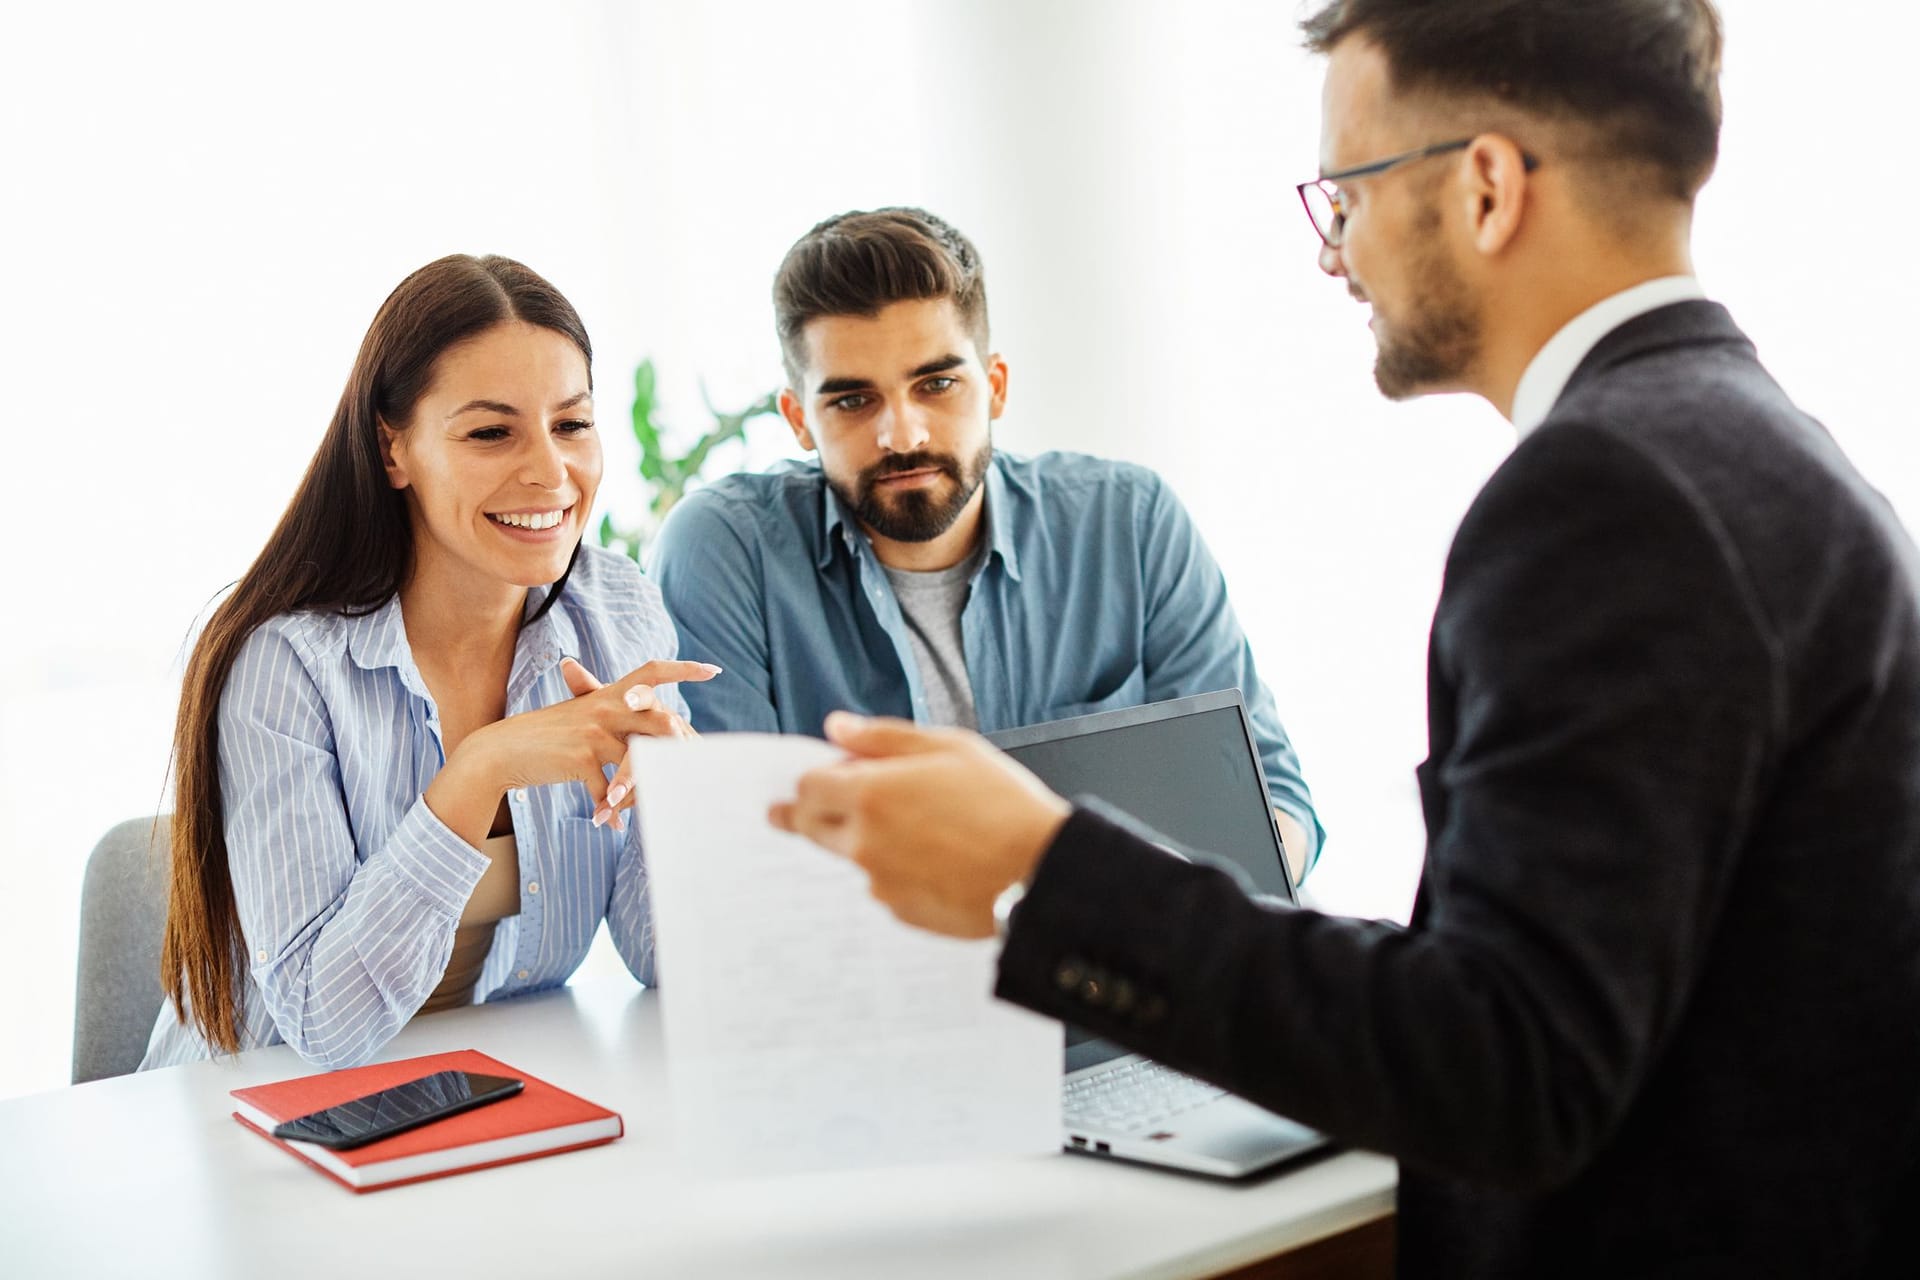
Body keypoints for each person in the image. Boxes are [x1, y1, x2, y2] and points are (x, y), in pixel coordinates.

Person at [770, 2, 1920, 1274]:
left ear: (1485, 188)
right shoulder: (1758, 448)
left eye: (1348, 193)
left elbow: (1506, 1065)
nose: (1334, 255)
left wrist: (1046, 859)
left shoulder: (1608, 496)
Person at [145, 254, 715, 1071]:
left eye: (573, 425)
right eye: (492, 432)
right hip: (259, 1111)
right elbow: (322, 1020)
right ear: (392, 449)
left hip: (475, 1097)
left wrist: (678, 805)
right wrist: (480, 768)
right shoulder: (288, 664)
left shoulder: (615, 611)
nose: (552, 473)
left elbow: (668, 957)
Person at [650, 206, 1323, 880]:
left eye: (937, 384)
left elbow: (1274, 807)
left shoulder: (1130, 523)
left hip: (1114, 970)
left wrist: (1214, 912)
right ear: (799, 419)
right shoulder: (725, 552)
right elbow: (730, 868)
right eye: (853, 401)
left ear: (994, 386)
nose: (903, 435)